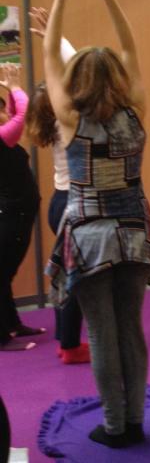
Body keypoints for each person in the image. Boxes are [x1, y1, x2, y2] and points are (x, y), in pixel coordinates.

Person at [43, 0, 150, 447]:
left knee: (102, 333)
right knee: (131, 328)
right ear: (118, 77)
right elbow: (130, 47)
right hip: (134, 233)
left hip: (89, 237)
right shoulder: (136, 110)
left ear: (79, 81)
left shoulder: (71, 118)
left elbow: (50, 58)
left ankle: (114, 427)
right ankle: (134, 420)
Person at [27, 7, 90, 365]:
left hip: (59, 202)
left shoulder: (53, 121)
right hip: (73, 205)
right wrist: (58, 39)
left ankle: (65, 339)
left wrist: (55, 39)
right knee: (75, 280)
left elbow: (71, 73)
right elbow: (81, 71)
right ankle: (69, 344)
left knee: (66, 274)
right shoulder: (72, 122)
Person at [0, 63, 42, 352]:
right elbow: (23, 115)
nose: (5, 113)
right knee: (2, 273)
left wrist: (10, 92)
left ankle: (12, 324)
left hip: (18, 213)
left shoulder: (5, 136)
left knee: (5, 273)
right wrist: (14, 86)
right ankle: (2, 335)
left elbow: (16, 114)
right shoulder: (2, 137)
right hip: (11, 213)